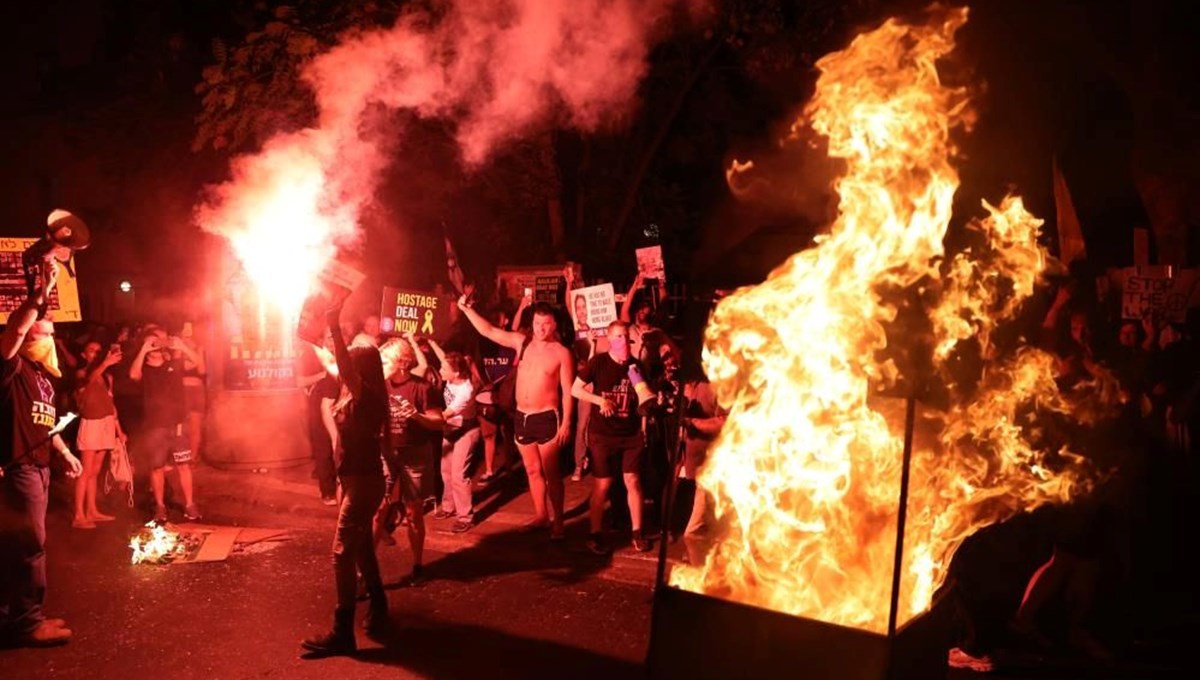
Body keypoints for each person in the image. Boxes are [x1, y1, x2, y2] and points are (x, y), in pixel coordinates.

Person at [1, 259, 82, 647]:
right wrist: (40, 292)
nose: (48, 339)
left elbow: (44, 424)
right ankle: (28, 623)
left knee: (17, 545)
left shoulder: (43, 378)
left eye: (51, 334)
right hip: (18, 470)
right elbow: (14, 331)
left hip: (40, 466)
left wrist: (64, 453)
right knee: (29, 547)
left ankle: (11, 616)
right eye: (40, 333)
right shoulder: (12, 369)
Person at [302, 303, 390, 656]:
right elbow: (331, 360)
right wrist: (308, 336)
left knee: (341, 554)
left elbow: (340, 360)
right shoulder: (357, 392)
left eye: (351, 359)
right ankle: (380, 607)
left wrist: (334, 326)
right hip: (355, 479)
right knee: (363, 549)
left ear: (361, 368)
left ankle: (343, 630)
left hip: (363, 482)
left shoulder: (364, 395)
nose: (344, 364)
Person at [458, 291, 573, 540]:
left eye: (546, 323)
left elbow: (568, 392)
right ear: (532, 323)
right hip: (522, 417)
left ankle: (559, 522)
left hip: (546, 418)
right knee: (532, 471)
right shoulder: (522, 342)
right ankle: (542, 516)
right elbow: (488, 331)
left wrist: (566, 423)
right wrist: (467, 310)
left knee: (552, 474)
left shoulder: (561, 353)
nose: (541, 328)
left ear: (554, 324)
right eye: (537, 323)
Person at [572, 320, 654, 554]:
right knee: (604, 483)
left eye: (625, 336)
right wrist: (600, 401)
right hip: (602, 435)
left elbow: (643, 402)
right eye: (617, 336)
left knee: (633, 481)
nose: (622, 341)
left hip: (630, 434)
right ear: (609, 339)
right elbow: (574, 389)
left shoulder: (636, 366)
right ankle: (594, 534)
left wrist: (644, 429)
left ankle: (637, 533)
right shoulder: (597, 363)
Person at [376, 334, 444, 582]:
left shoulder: (421, 387)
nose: (381, 366)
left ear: (402, 363)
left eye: (385, 361)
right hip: (386, 452)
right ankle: (366, 571)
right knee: (378, 509)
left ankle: (417, 564)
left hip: (415, 453)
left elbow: (439, 422)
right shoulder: (379, 385)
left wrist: (417, 416)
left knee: (413, 512)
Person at [129, 328, 203, 522]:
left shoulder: (174, 363)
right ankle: (160, 507)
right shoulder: (144, 368)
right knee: (157, 467)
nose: (157, 345)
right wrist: (144, 350)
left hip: (177, 425)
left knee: (184, 466)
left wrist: (182, 347)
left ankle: (189, 504)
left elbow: (197, 363)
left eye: (159, 341)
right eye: (153, 342)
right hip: (155, 426)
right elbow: (133, 375)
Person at [72, 340, 127, 528]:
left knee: (95, 472)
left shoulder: (106, 377)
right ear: (83, 354)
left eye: (98, 351)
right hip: (91, 423)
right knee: (85, 471)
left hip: (106, 423)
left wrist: (119, 431)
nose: (95, 354)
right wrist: (105, 363)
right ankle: (78, 515)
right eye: (91, 351)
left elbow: (111, 405)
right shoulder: (82, 373)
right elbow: (88, 382)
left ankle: (92, 510)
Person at [428, 340, 481, 532]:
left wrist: (417, 417)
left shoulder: (465, 391)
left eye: (444, 368)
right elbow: (443, 356)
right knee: (446, 471)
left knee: (459, 474)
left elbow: (445, 415)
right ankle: (449, 506)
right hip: (451, 428)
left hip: (466, 430)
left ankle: (465, 516)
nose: (440, 370)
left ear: (456, 372)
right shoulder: (452, 375)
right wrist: (430, 340)